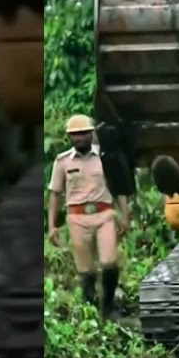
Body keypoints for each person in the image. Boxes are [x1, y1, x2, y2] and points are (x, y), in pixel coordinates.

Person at [48, 115, 130, 319]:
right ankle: (90, 306)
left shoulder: (105, 157)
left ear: (92, 133)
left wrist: (125, 215)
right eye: (75, 135)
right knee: (86, 268)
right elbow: (55, 194)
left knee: (109, 261)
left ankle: (108, 306)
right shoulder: (63, 162)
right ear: (69, 137)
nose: (80, 138)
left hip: (104, 214)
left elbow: (119, 187)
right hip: (77, 217)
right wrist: (52, 225)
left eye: (84, 133)